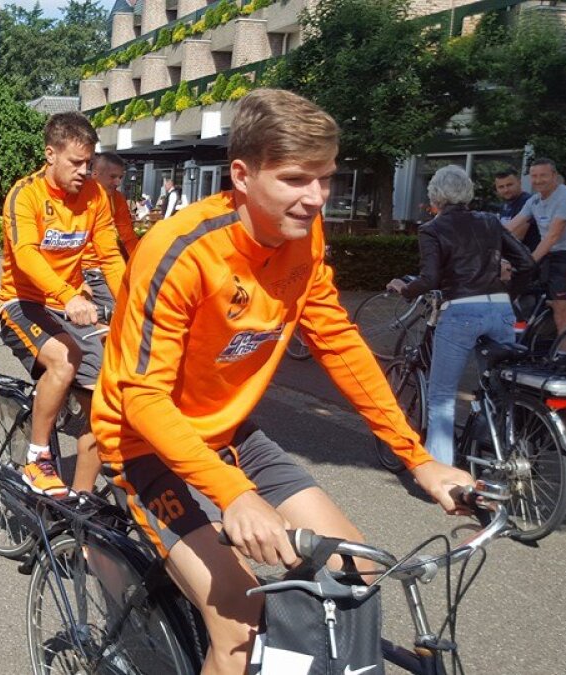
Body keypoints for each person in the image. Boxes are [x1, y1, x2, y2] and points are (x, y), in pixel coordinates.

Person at [90, 89, 475, 675]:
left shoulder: (303, 234)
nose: (316, 198)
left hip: (230, 433)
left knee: (357, 571)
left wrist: (418, 459)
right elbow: (141, 397)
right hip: (145, 444)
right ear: (242, 175)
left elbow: (337, 341)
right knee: (240, 623)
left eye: (326, 178)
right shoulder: (182, 251)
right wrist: (235, 494)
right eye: (296, 179)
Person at [0, 112, 126, 497]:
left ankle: (79, 503)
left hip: (69, 303)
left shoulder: (95, 196)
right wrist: (68, 295)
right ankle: (37, 458)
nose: (84, 171)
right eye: (76, 162)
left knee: (105, 397)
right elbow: (26, 254)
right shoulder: (25, 194)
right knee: (65, 359)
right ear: (51, 154)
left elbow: (111, 258)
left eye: (89, 162)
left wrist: (132, 303)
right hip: (23, 301)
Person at [387, 165, 534, 465]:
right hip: (500, 309)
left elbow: (429, 278)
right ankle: (500, 458)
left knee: (442, 397)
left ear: (436, 196)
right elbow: (527, 263)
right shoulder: (490, 221)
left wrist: (406, 289)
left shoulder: (432, 229)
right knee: (500, 389)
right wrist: (508, 294)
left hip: (461, 311)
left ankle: (442, 472)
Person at [504, 158, 566, 349]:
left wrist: (529, 261)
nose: (538, 180)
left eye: (543, 175)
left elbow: (553, 236)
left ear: (554, 175)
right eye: (534, 176)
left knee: (562, 312)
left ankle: (564, 358)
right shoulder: (534, 200)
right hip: (549, 254)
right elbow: (510, 227)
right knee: (510, 284)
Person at [80, 152, 140, 313]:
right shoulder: (80, 195)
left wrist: (140, 262)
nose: (118, 182)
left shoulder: (117, 199)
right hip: (81, 269)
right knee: (115, 312)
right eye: (113, 176)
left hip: (102, 267)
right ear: (95, 174)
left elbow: (128, 237)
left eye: (120, 177)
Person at [494, 167, 536, 251]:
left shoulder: (527, 202)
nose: (506, 190)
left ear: (519, 183)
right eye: (501, 187)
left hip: (527, 255)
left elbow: (517, 236)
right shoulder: (506, 204)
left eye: (509, 185)